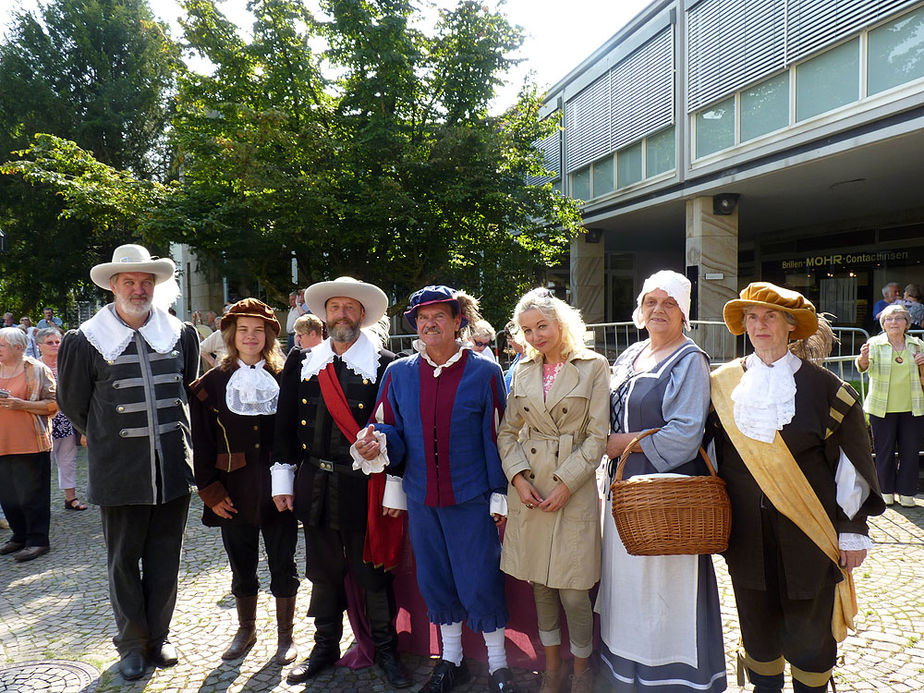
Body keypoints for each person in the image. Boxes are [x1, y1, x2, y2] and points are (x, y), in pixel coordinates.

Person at [710, 282, 885, 693]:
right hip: (746, 535)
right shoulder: (722, 384)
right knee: (755, 619)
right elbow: (710, 455)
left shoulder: (827, 389)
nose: (759, 325)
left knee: (809, 629)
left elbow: (851, 466)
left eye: (770, 316)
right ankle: (764, 686)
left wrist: (852, 528)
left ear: (791, 325)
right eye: (751, 317)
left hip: (809, 531)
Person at [360, 285, 517, 693]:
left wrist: (499, 494)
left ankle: (499, 666)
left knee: (480, 577)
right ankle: (451, 660)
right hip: (421, 497)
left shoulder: (485, 372)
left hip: (471, 496)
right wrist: (376, 442)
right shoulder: (398, 373)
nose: (430, 324)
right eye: (422, 318)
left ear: (458, 321)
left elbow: (498, 435)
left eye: (439, 317)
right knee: (435, 579)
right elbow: (388, 428)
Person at [57, 244, 199, 681]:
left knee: (165, 558)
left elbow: (187, 389)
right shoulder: (84, 340)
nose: (138, 289)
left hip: (172, 466)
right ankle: (131, 644)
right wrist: (113, 442)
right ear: (113, 287)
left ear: (155, 287)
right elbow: (73, 403)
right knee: (123, 561)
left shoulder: (181, 333)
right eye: (128, 282)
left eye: (145, 282)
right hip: (119, 470)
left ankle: (160, 636)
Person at [271, 277, 409, 688]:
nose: (342, 314)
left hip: (365, 486)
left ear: (362, 316)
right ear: (325, 315)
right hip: (314, 480)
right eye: (335, 308)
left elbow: (403, 431)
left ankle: (386, 652)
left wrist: (395, 487)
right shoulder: (302, 361)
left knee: (372, 573)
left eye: (350, 308)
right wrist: (282, 477)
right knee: (324, 571)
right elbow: (283, 426)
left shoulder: (388, 363)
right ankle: (325, 647)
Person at [595, 270, 725, 693]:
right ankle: (624, 676)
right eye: (651, 301)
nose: (658, 310)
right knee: (627, 589)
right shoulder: (630, 354)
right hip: (623, 494)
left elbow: (685, 435)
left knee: (662, 592)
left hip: (667, 499)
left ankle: (669, 682)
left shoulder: (690, 360)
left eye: (669, 303)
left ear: (684, 313)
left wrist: (621, 444)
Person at [497, 288, 609, 693]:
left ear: (562, 323)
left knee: (574, 590)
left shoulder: (594, 366)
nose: (535, 336)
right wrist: (518, 478)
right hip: (530, 486)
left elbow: (598, 436)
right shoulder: (522, 369)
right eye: (527, 329)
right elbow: (507, 431)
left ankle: (582, 671)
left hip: (572, 485)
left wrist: (567, 482)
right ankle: (553, 670)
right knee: (540, 586)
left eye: (542, 326)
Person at [190, 298, 300, 664]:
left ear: (268, 336)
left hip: (278, 489)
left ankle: (286, 637)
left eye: (258, 330)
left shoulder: (288, 378)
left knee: (283, 561)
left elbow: (298, 435)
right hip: (232, 491)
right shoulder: (210, 384)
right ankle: (246, 629)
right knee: (241, 564)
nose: (250, 336)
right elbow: (201, 442)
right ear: (230, 336)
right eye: (243, 330)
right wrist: (209, 491)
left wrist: (293, 481)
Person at [856, 303, 924, 508]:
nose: (893, 322)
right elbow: (863, 367)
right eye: (889, 319)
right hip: (881, 407)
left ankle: (907, 494)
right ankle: (885, 491)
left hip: (913, 407)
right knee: (884, 451)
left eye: (898, 318)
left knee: (910, 452)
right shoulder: (874, 343)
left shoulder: (918, 345)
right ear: (883, 323)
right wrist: (863, 359)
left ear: (907, 323)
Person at [0, 326, 56, 562]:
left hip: (31, 443)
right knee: (8, 495)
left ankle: (37, 540)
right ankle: (19, 536)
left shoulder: (36, 369)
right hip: (2, 445)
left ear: (18, 348)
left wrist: (21, 405)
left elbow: (53, 405)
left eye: (1, 346)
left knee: (32, 495)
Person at [36, 326, 86, 511]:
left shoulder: (68, 365)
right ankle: (40, 504)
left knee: (68, 460)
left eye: (58, 342)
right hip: (43, 423)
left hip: (67, 422)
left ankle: (70, 498)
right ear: (39, 345)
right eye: (50, 342)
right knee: (42, 465)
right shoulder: (34, 367)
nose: (55, 345)